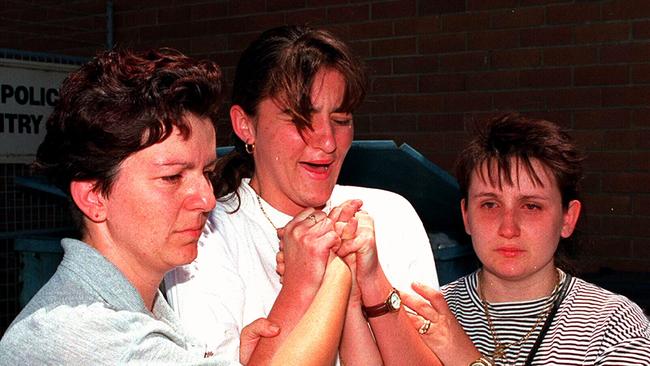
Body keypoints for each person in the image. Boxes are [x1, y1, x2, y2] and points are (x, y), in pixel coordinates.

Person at [0, 48, 354, 365]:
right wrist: (331, 273)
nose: (207, 199)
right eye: (172, 177)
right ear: (94, 196)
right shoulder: (83, 334)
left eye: (206, 172)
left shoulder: (142, 312)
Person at [164, 25, 441, 365]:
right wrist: (307, 284)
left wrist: (373, 284)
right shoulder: (204, 233)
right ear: (245, 125)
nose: (327, 142)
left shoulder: (391, 214)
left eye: (341, 119)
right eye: (300, 118)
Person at [401, 113, 650, 365]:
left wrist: (462, 355)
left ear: (567, 218)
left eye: (531, 206)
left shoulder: (615, 326)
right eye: (489, 204)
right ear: (466, 216)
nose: (508, 228)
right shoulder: (426, 315)